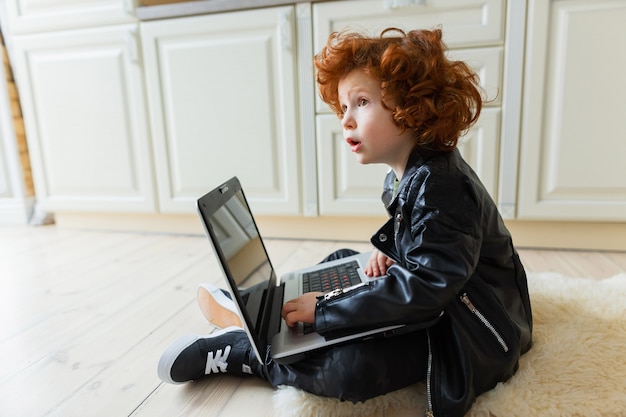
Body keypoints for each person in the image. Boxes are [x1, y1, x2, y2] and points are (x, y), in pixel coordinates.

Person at [157, 27, 533, 416]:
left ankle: (253, 352)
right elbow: (434, 252)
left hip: (476, 330)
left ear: (411, 106)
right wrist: (396, 255)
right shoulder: (412, 172)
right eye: (344, 107)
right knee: (342, 261)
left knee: (355, 369)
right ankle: (268, 317)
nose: (346, 120)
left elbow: (428, 287)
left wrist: (327, 309)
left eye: (362, 102)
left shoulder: (442, 187)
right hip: (450, 303)